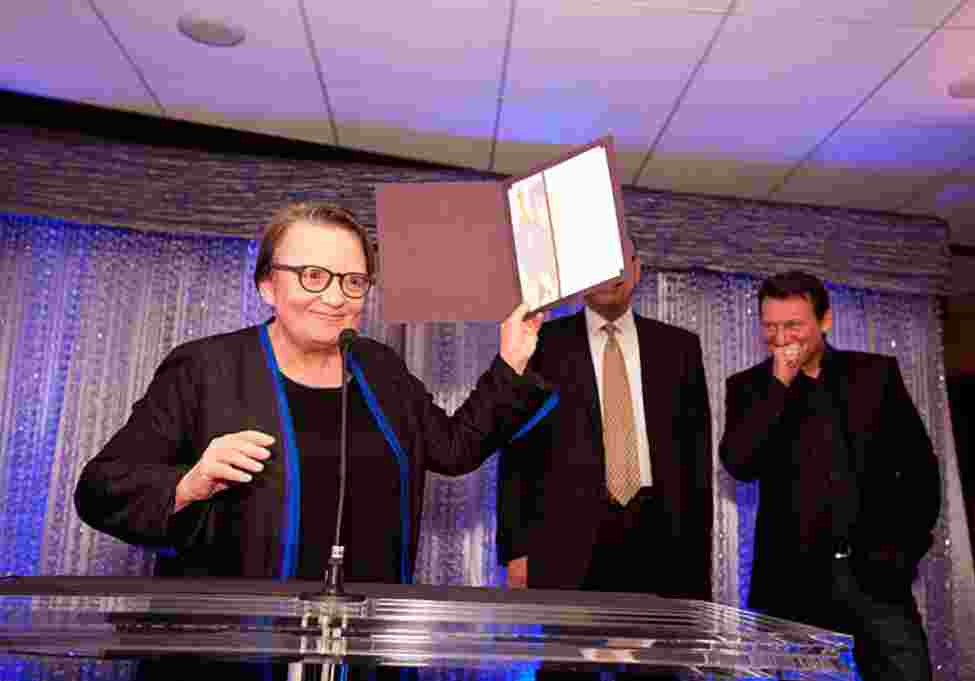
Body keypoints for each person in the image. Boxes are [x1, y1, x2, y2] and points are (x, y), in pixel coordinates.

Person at [74, 201, 549, 587]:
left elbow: (454, 447)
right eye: (313, 276)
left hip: (358, 646)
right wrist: (187, 485)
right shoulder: (204, 368)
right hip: (233, 651)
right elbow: (99, 489)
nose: (336, 297)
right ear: (266, 285)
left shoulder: (379, 367)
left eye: (354, 281)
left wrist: (511, 361)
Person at [718, 271, 940, 680]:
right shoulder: (749, 388)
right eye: (770, 326)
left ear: (825, 321)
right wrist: (779, 384)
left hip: (878, 578)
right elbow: (740, 464)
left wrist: (903, 552)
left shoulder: (876, 376)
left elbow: (921, 471)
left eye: (794, 325)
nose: (781, 337)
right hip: (794, 582)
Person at [497, 236, 712, 601]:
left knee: (661, 657)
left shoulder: (679, 348)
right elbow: (518, 453)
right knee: (569, 657)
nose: (608, 273)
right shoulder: (541, 345)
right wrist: (516, 549)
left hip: (662, 537)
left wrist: (701, 555)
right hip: (566, 541)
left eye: (618, 260)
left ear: (636, 269)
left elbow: (697, 458)